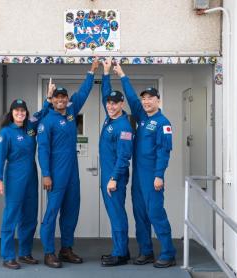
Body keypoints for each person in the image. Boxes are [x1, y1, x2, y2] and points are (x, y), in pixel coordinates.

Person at [113, 63, 177, 268]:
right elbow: (131, 97)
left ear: (158, 100)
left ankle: (168, 253)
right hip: (138, 177)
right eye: (144, 98)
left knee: (156, 214)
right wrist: (122, 75)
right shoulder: (141, 116)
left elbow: (164, 151)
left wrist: (159, 175)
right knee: (140, 215)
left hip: (152, 176)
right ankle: (146, 251)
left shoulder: (162, 123)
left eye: (151, 98)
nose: (146, 101)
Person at [37, 59, 99, 268]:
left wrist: (91, 71)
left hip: (73, 171)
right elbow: (43, 150)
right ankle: (48, 252)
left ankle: (66, 249)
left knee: (71, 210)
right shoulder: (47, 121)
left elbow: (83, 92)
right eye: (57, 97)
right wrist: (46, 174)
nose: (61, 100)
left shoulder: (72, 112)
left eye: (64, 97)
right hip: (55, 172)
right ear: (52, 100)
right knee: (52, 212)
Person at [0, 86, 53, 270]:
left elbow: (42, 113)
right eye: (16, 111)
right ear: (11, 113)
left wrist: (48, 98)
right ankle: (8, 255)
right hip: (14, 177)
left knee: (29, 216)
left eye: (22, 111)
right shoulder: (6, 133)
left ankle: (25, 253)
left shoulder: (30, 128)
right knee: (11, 216)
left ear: (26, 113)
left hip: (31, 177)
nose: (20, 113)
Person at [99, 59, 133, 266]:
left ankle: (120, 254)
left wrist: (113, 178)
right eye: (109, 103)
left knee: (117, 213)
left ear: (122, 104)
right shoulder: (111, 118)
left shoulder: (123, 127)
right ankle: (120, 250)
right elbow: (106, 93)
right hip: (109, 175)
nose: (111, 106)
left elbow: (124, 157)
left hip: (115, 178)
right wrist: (105, 74)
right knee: (114, 214)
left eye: (115, 103)